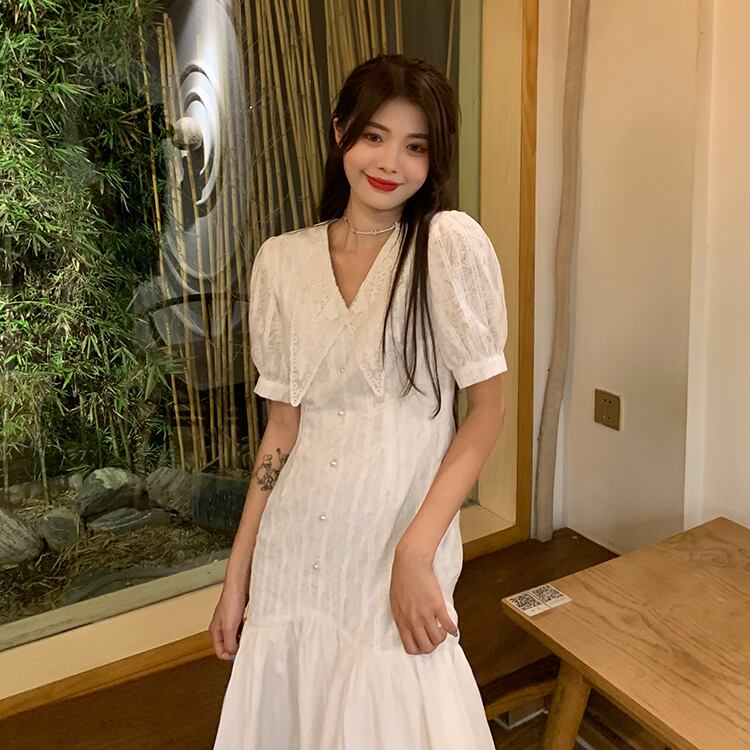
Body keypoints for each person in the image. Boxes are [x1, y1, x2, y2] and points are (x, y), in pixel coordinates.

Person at [210, 53, 508, 749]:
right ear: (340, 131)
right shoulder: (282, 261)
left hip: (394, 548)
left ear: (434, 159)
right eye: (374, 136)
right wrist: (238, 573)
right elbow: (282, 430)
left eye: (415, 146)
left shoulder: (444, 247)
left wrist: (417, 550)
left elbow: (487, 411)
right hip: (295, 557)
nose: (390, 162)